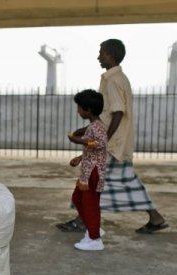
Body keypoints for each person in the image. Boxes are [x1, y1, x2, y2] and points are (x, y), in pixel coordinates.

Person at [57, 38, 169, 234]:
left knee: (92, 182)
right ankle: (155, 217)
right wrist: (87, 130)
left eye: (102, 53)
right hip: (115, 144)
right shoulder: (115, 79)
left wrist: (102, 139)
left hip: (113, 145)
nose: (98, 56)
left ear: (111, 55)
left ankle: (82, 220)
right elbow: (108, 113)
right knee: (124, 181)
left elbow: (117, 113)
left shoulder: (114, 80)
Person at [68, 89, 108, 251]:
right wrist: (80, 157)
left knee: (90, 203)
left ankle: (94, 239)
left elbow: (99, 144)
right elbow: (93, 149)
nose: (78, 111)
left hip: (93, 172)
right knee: (78, 199)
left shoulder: (97, 127)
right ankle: (94, 229)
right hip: (87, 170)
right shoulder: (92, 126)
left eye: (79, 108)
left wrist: (77, 140)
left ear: (88, 110)